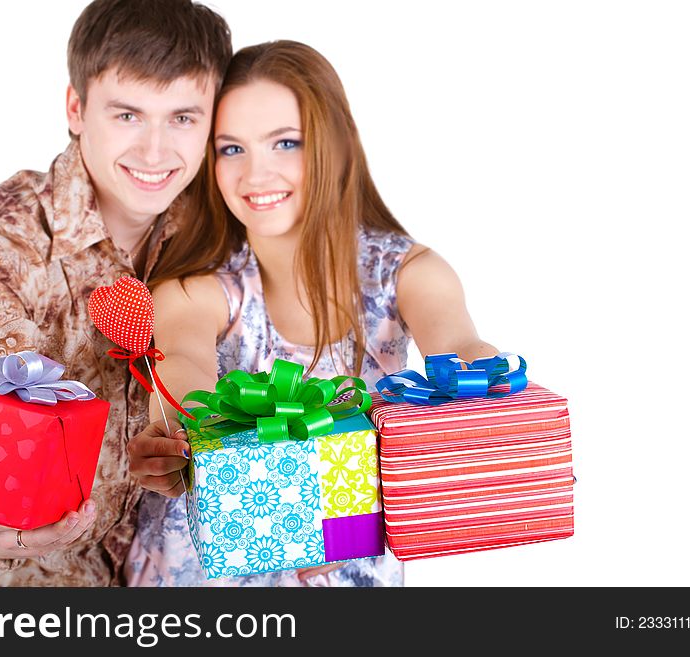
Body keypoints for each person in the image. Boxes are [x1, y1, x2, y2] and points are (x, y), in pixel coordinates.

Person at [126, 40, 500, 586]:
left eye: (285, 143)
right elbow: (184, 363)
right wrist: (183, 434)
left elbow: (459, 346)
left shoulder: (408, 274)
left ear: (339, 147)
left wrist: (483, 377)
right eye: (232, 149)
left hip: (349, 569)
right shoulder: (196, 288)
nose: (256, 174)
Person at [0, 0, 232, 587]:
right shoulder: (10, 233)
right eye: (128, 115)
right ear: (77, 109)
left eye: (183, 118)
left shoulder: (211, 221)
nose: (156, 152)